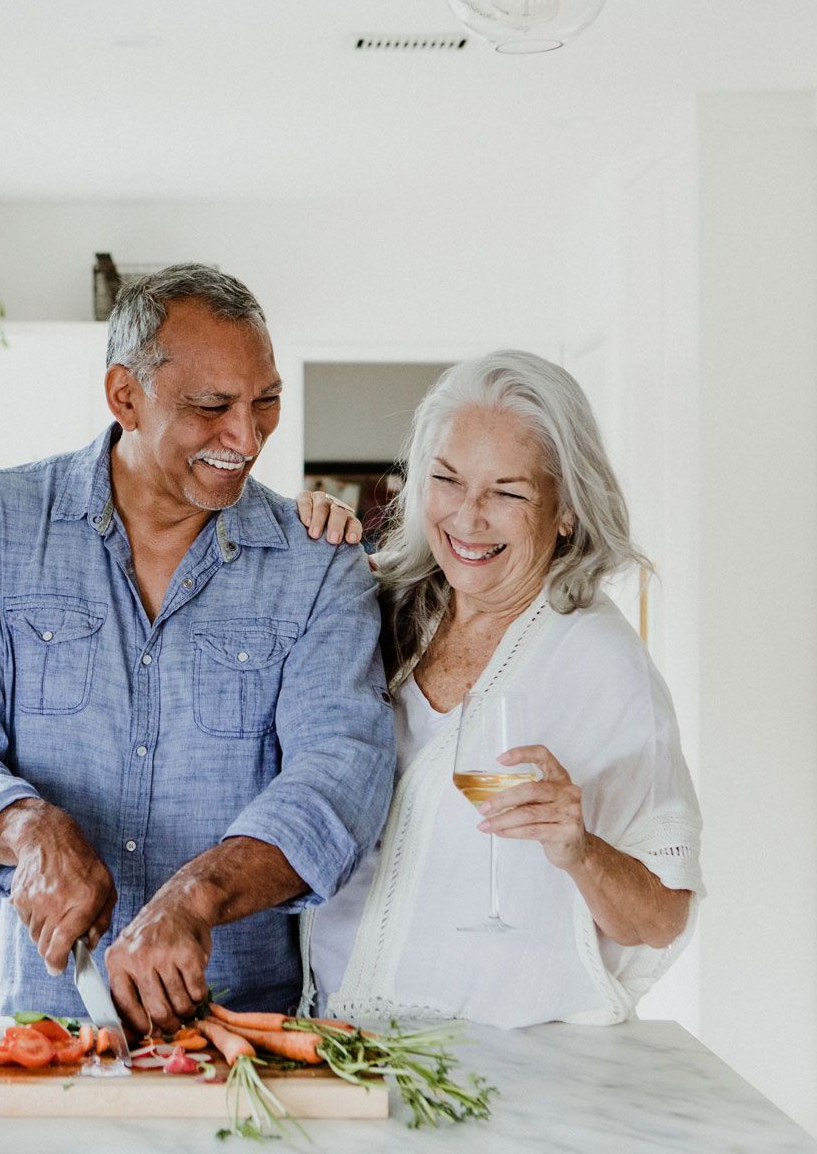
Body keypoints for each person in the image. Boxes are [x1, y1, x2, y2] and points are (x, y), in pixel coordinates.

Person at [0, 264, 394, 1033]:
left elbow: (340, 777)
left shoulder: (318, 561)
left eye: (266, 403)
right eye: (211, 407)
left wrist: (197, 896)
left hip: (240, 1031)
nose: (247, 437)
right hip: (39, 1022)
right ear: (124, 396)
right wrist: (28, 828)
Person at [297, 350, 702, 1028]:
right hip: (330, 1036)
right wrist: (299, 538)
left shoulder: (600, 664)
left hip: (496, 1066)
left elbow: (660, 918)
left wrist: (580, 849)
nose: (468, 516)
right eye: (447, 480)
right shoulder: (377, 607)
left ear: (566, 510)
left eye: (508, 492)